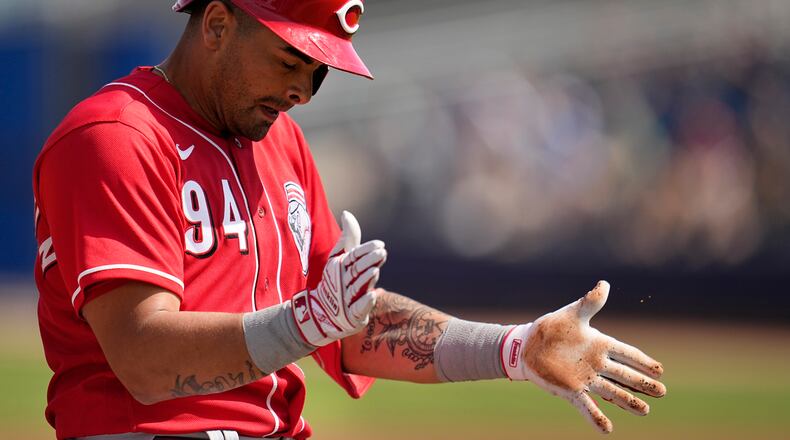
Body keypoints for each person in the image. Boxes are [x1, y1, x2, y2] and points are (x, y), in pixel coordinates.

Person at [32, 1, 666, 439]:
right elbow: (142, 360)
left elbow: (343, 326)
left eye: (318, 71)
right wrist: (305, 322)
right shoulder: (116, 135)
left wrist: (511, 348)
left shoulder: (278, 144)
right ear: (218, 24)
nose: (303, 91)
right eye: (289, 61)